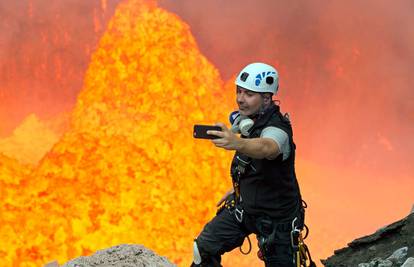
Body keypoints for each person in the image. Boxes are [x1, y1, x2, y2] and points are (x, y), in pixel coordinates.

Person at [191, 62, 306, 267]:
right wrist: (240, 187)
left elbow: (266, 147)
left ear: (267, 98)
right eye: (239, 91)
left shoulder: (278, 128)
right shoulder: (249, 121)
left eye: (249, 94)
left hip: (277, 222)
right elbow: (254, 162)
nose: (240, 99)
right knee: (203, 249)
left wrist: (237, 143)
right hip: (244, 209)